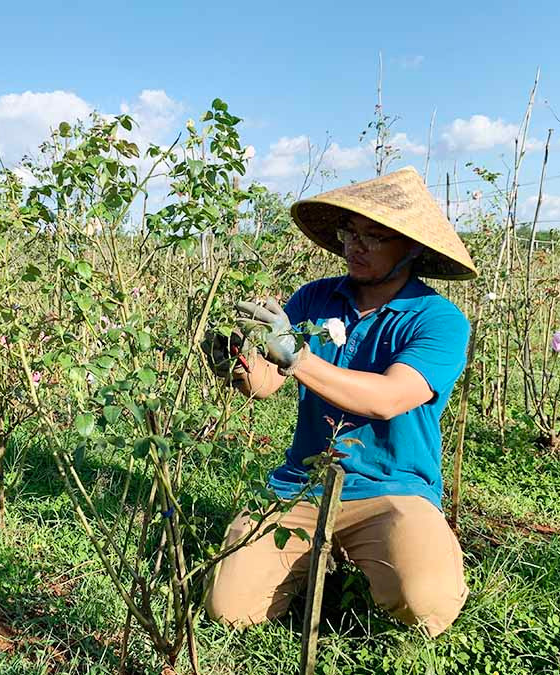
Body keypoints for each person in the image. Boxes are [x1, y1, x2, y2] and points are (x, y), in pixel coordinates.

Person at [203, 166, 477, 637]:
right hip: (304, 484)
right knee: (229, 611)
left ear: (411, 247)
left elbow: (388, 399)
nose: (356, 246)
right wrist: (239, 367)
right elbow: (268, 382)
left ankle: (389, 553)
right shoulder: (316, 297)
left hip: (393, 488)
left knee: (425, 604)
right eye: (350, 233)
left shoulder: (439, 320)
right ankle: (313, 561)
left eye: (374, 236)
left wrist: (297, 355)